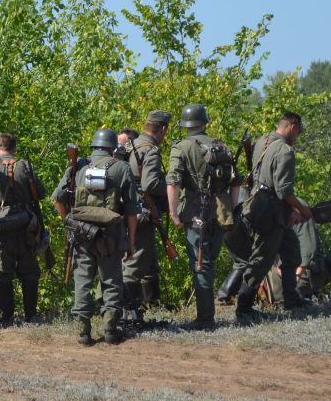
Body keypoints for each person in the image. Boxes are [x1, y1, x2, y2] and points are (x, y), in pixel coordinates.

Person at [54, 128, 138, 346]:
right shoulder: (122, 168)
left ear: (94, 146)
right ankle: (110, 330)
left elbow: (57, 199)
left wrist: (69, 223)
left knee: (82, 281)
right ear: (112, 147)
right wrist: (131, 241)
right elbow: (131, 211)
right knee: (111, 281)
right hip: (111, 235)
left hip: (82, 234)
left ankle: (83, 332)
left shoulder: (78, 166)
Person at [234, 113, 314, 322]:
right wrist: (301, 210)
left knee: (291, 250)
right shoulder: (285, 151)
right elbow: (284, 191)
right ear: (293, 126)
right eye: (298, 131)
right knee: (262, 259)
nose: (298, 136)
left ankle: (291, 297)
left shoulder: (263, 141)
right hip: (271, 212)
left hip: (260, 206)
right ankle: (244, 307)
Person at [166, 103, 235, 328]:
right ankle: (206, 314)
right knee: (209, 260)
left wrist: (174, 213)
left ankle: (205, 319)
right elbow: (236, 182)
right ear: (204, 122)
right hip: (221, 212)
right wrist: (231, 210)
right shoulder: (220, 145)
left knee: (200, 263)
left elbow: (173, 182)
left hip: (196, 212)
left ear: (186, 125)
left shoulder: (181, 148)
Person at [0, 133, 45, 326]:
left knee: (2, 273)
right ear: (14, 148)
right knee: (29, 272)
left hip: (1, 227)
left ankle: (6, 317)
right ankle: (30, 316)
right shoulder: (26, 166)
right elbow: (40, 193)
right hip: (27, 225)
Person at [121, 111, 171, 323]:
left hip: (128, 208)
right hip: (142, 211)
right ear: (163, 129)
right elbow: (150, 183)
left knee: (143, 260)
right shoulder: (150, 150)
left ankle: (143, 307)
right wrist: (170, 186)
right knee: (134, 263)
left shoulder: (130, 146)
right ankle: (125, 313)